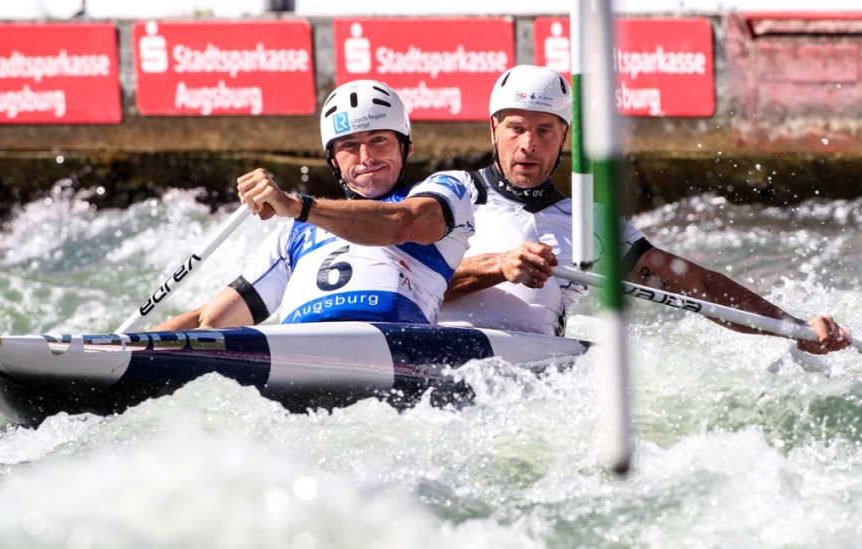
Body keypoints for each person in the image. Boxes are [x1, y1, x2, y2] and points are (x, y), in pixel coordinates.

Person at [437, 64, 852, 355]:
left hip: (528, 371)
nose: (529, 144)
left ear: (563, 136)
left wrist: (793, 328)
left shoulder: (591, 225)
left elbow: (700, 287)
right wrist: (496, 266)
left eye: (544, 130)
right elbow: (398, 281)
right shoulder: (449, 193)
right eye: (516, 128)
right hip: (432, 349)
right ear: (494, 129)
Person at [153, 80, 474, 330]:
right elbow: (209, 322)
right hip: (301, 352)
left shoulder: (446, 190)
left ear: (406, 148)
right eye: (349, 145)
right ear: (333, 161)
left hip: (400, 347)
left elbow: (403, 222)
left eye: (378, 140)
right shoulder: (293, 235)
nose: (366, 158)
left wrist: (298, 207)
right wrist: (127, 349)